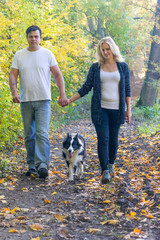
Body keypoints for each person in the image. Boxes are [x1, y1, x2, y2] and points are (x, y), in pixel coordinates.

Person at [64, 36, 131, 184]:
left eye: (108, 49)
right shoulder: (96, 67)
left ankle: (111, 163)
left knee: (113, 139)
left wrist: (128, 110)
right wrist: (69, 100)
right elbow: (86, 87)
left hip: (117, 109)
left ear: (113, 49)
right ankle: (104, 170)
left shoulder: (122, 66)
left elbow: (127, 89)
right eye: (103, 50)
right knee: (103, 139)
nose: (106, 52)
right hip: (100, 110)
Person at [9, 25, 68, 179]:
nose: (33, 39)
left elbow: (57, 75)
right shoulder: (19, 55)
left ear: (40, 38)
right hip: (26, 101)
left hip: (44, 100)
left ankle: (42, 164)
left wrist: (62, 94)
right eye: (31, 36)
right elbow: (13, 76)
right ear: (27, 38)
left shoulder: (47, 54)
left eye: (36, 36)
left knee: (42, 133)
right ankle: (31, 166)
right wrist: (14, 92)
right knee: (29, 135)